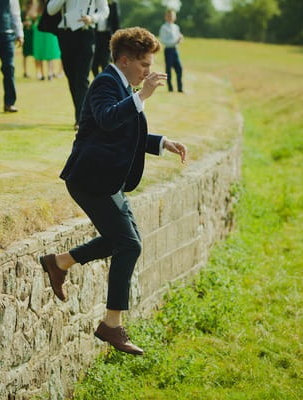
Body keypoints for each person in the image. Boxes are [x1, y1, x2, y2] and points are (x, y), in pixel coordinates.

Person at [39, 27, 188, 355]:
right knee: (130, 245)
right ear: (125, 60)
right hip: (90, 179)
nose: (149, 72)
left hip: (105, 180)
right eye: (145, 65)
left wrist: (163, 142)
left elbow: (126, 129)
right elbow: (107, 120)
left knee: (118, 240)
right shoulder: (106, 83)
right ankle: (111, 325)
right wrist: (143, 96)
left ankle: (59, 262)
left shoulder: (122, 85)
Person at [47, 0, 109, 129]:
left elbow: (104, 11)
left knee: (82, 78)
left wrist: (92, 18)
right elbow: (50, 10)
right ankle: (82, 114)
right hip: (65, 34)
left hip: (86, 34)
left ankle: (81, 119)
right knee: (72, 77)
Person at [33, 0, 61, 81]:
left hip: (50, 29)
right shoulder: (38, 4)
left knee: (50, 52)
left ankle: (50, 73)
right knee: (40, 52)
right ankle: (41, 73)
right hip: (40, 31)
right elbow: (32, 14)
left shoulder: (52, 2)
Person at [91, 0, 119, 77]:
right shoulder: (94, 3)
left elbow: (116, 22)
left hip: (107, 36)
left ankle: (104, 80)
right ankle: (97, 79)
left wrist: (118, 38)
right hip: (94, 36)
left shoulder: (113, 4)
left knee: (105, 61)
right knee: (94, 62)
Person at [158, 9, 183, 93]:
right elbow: (163, 41)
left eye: (172, 15)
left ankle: (180, 88)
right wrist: (175, 41)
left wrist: (179, 40)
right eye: (169, 16)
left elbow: (178, 37)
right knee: (168, 70)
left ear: (174, 17)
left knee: (179, 68)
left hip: (175, 50)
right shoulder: (164, 27)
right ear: (166, 17)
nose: (170, 17)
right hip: (168, 50)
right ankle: (170, 88)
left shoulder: (176, 27)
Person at [21, 0, 36, 78]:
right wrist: (25, 23)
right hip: (25, 35)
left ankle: (36, 71)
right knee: (25, 54)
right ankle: (25, 72)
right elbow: (18, 23)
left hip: (33, 35)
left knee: (35, 54)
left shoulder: (35, 13)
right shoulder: (23, 13)